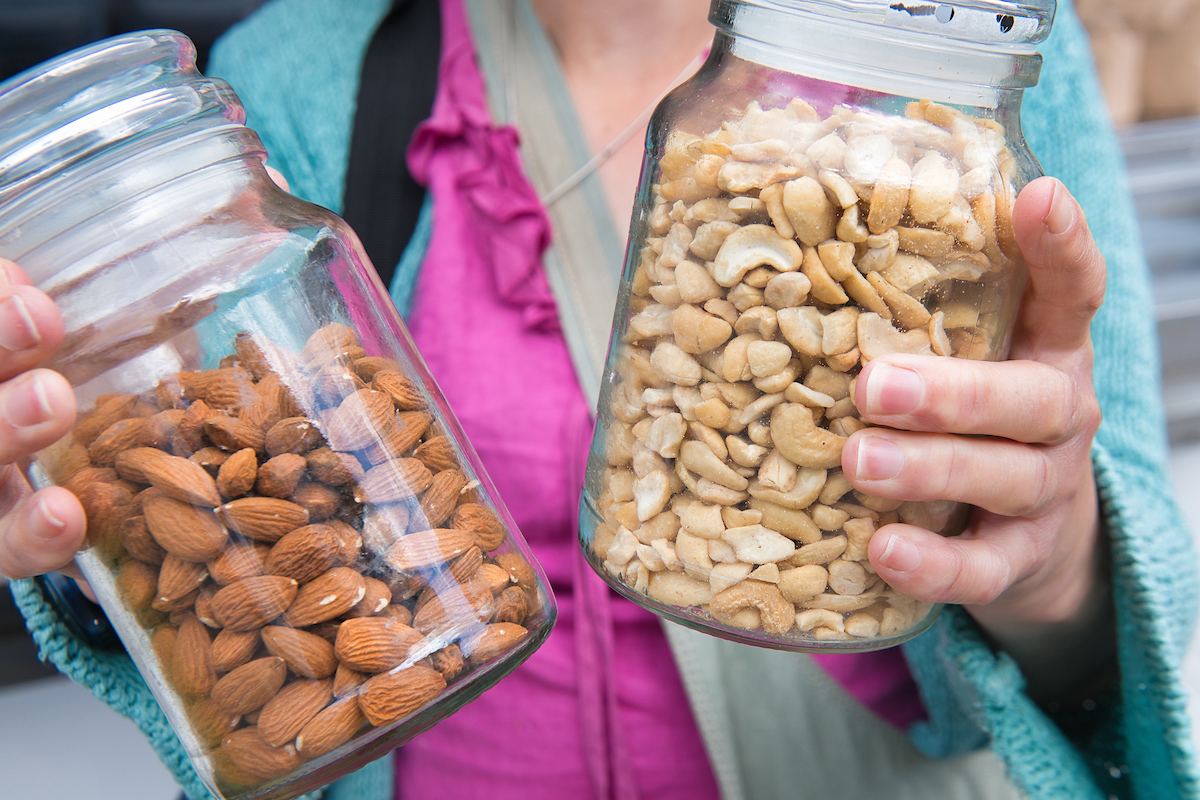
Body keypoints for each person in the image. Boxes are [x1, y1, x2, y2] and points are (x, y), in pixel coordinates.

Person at [3, 0, 1198, 798]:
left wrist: (1053, 562)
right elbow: (228, 544)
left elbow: (1134, 586)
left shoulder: (948, 50)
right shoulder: (291, 80)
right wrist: (76, 522)